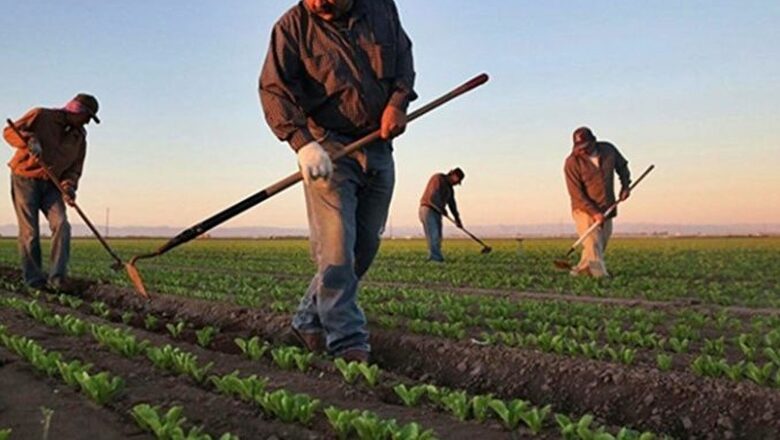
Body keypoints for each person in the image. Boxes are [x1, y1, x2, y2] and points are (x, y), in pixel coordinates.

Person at [259, 0, 416, 362]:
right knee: (337, 249)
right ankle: (346, 341)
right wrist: (303, 145)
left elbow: (403, 62)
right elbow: (273, 89)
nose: (318, 3)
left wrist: (398, 102)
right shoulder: (292, 27)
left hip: (377, 144)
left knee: (363, 249)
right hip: (326, 148)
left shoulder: (382, 9)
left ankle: (305, 322)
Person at [3, 93, 100, 289]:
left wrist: (69, 186)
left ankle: (57, 278)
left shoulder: (79, 138)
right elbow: (9, 132)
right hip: (25, 179)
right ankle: (34, 281)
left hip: (52, 185)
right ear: (75, 110)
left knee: (62, 225)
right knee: (30, 231)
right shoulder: (41, 115)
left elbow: (74, 169)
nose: (87, 123)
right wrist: (29, 140)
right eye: (87, 117)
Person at [564, 127, 631, 278]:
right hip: (583, 209)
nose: (583, 151)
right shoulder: (572, 162)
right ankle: (600, 276)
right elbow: (576, 193)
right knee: (593, 243)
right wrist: (594, 212)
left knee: (598, 245)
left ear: (593, 141)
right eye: (579, 148)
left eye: (585, 147)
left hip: (607, 206)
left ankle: (580, 271)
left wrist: (625, 186)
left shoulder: (608, 150)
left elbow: (622, 167)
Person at [418, 168, 464, 262]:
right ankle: (436, 258)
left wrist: (457, 219)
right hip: (428, 209)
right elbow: (434, 196)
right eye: (457, 181)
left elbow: (452, 205)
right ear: (453, 175)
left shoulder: (450, 189)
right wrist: (442, 209)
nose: (456, 184)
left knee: (438, 236)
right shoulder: (438, 178)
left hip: (437, 212)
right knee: (433, 235)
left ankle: (434, 256)